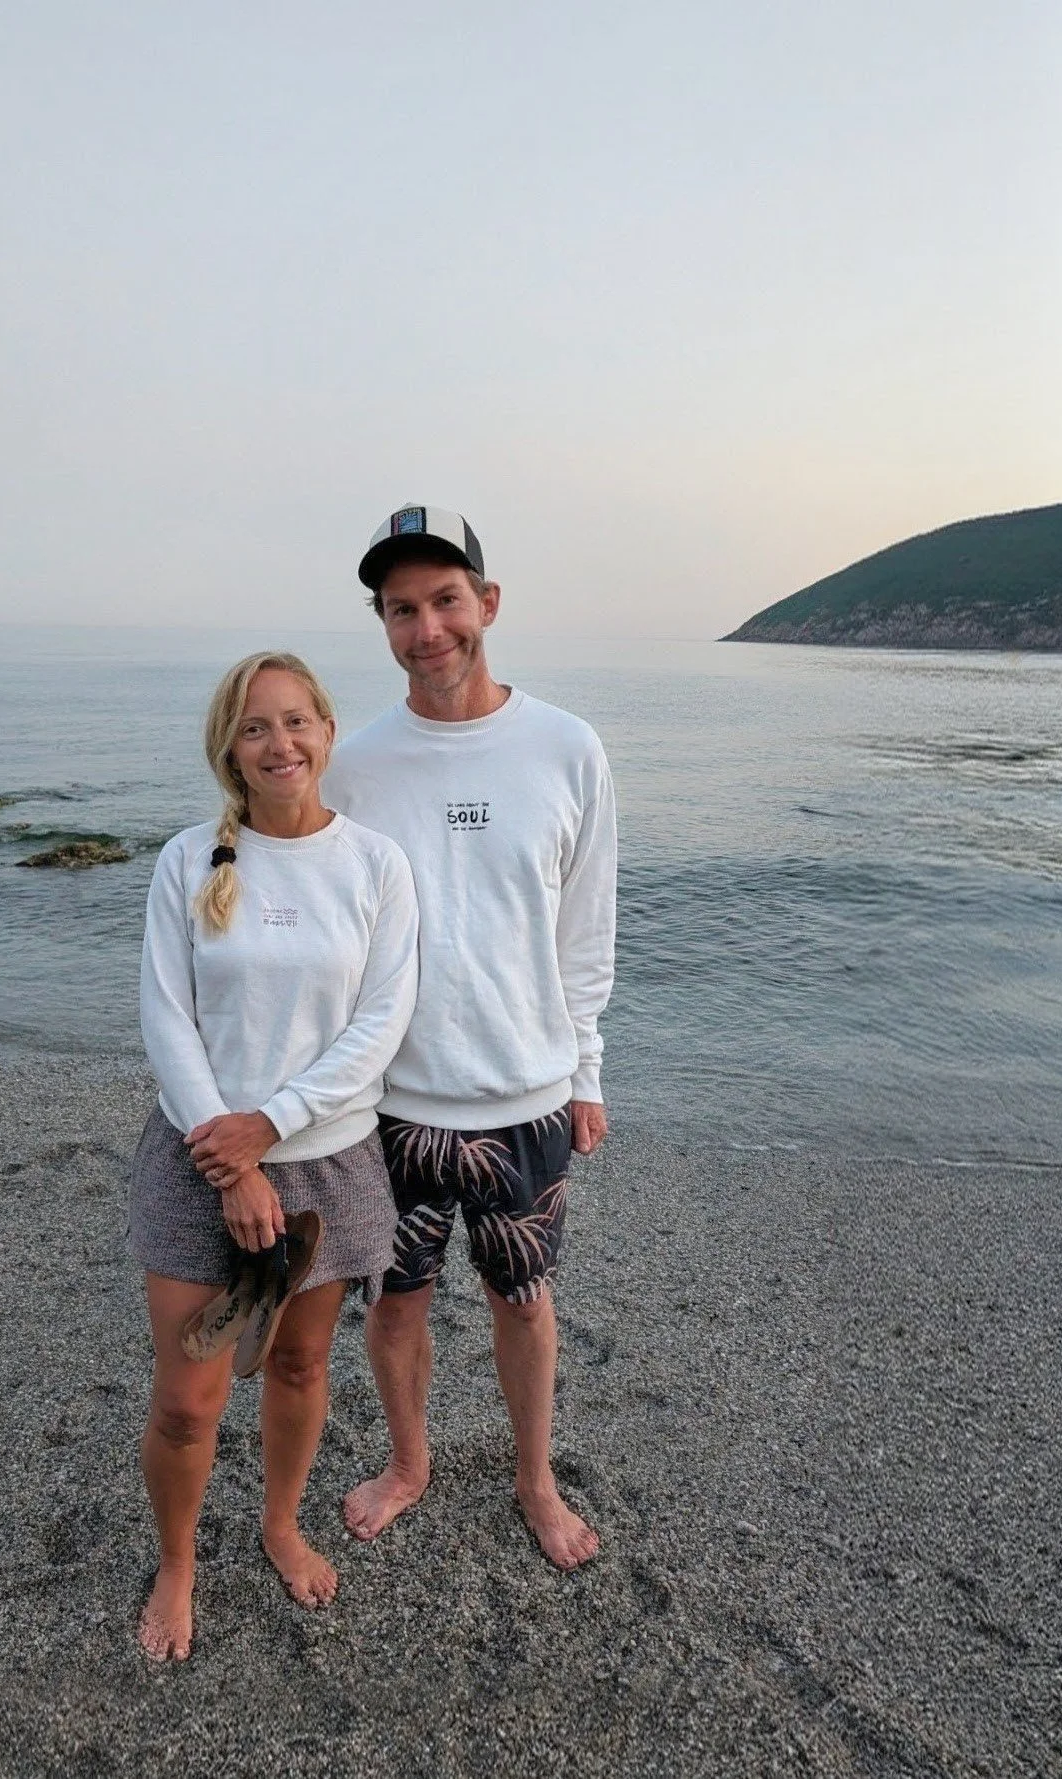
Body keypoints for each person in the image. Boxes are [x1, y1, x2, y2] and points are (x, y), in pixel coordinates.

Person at [321, 506, 617, 1572]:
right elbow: (326, 935)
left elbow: (585, 929)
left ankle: (533, 1481)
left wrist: (584, 1072)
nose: (426, 627)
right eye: (401, 609)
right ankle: (409, 1464)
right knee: (392, 1304)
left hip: (525, 1097)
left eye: (445, 600)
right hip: (389, 1104)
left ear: (485, 604)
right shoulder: (352, 768)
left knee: (522, 1300)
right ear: (384, 625)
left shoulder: (565, 748)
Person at [128, 650, 419, 1660]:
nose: (279, 742)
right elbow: (166, 1019)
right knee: (186, 1397)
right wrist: (234, 1156)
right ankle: (176, 1563)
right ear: (230, 749)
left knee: (297, 1363)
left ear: (328, 733)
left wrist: (276, 1126)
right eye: (255, 727)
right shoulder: (185, 862)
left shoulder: (375, 864)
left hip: (326, 1160)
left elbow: (379, 1023)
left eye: (296, 721)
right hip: (198, 1152)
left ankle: (279, 1524)